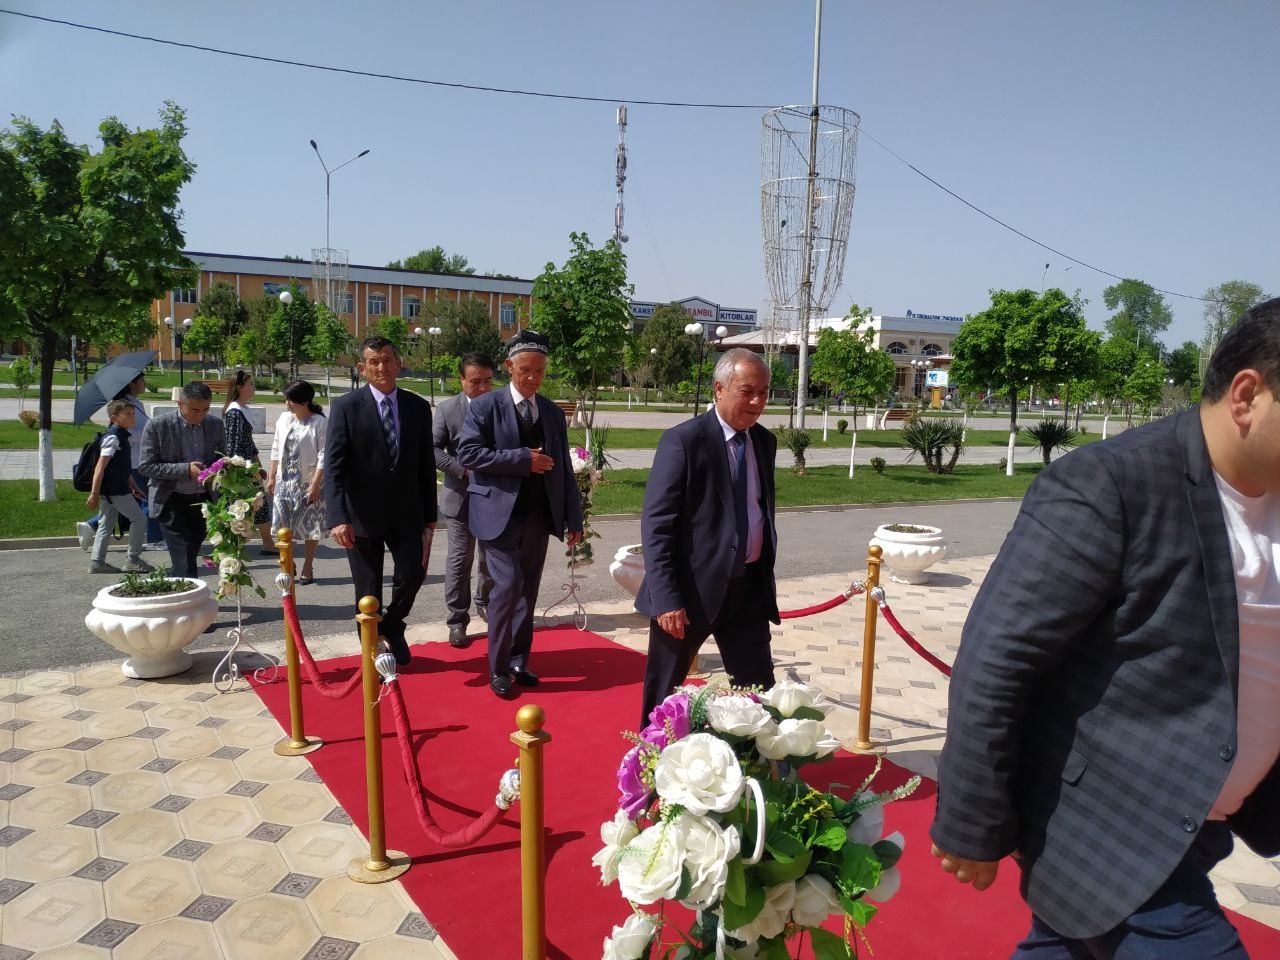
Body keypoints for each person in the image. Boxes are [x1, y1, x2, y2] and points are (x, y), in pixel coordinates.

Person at [930, 298, 1280, 958]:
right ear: (1246, 397)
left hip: (1199, 823)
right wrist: (972, 819)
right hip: (1108, 824)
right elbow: (998, 656)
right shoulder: (1112, 485)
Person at [635, 348, 779, 725]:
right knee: (663, 695)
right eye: (747, 391)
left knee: (759, 695)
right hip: (688, 595)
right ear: (719, 388)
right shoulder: (684, 441)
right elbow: (657, 524)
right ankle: (650, 759)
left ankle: (757, 759)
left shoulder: (764, 442)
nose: (757, 402)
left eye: (764, 393)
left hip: (747, 590)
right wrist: (667, 599)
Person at [456, 329, 583, 698]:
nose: (532, 378)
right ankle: (497, 668)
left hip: (538, 517)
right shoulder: (485, 406)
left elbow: (563, 470)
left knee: (527, 590)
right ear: (509, 367)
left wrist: (573, 518)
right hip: (497, 516)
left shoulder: (552, 413)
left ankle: (517, 660)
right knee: (508, 586)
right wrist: (522, 459)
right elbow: (469, 454)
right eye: (525, 370)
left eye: (540, 372)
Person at [326, 336, 437, 666]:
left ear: (398, 363)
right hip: (361, 515)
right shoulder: (346, 407)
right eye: (374, 362)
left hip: (407, 513)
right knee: (367, 587)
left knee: (413, 573)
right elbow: (334, 466)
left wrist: (430, 514)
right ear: (363, 368)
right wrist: (337, 517)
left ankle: (394, 625)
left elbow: (425, 463)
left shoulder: (417, 407)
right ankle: (371, 648)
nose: (381, 367)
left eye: (387, 360)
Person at [433, 352, 497, 646]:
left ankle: (486, 603)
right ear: (462, 380)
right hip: (460, 497)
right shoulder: (448, 410)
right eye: (475, 382)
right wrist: (463, 469)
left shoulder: (501, 407)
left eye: (488, 381)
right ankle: (457, 619)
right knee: (460, 560)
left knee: (490, 558)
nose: (483, 388)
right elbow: (433, 449)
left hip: (494, 498)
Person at [139, 381, 225, 578]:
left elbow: (222, 459)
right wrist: (185, 469)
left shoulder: (215, 425)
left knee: (188, 554)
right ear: (180, 404)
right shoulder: (157, 425)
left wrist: (219, 469)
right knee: (185, 556)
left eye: (205, 409)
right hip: (171, 499)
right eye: (195, 410)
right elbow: (146, 466)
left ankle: (173, 583)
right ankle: (191, 594)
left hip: (203, 502)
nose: (200, 415)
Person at [77, 372, 165, 553]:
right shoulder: (124, 406)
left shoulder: (133, 404)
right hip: (134, 462)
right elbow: (126, 434)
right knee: (148, 500)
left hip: (135, 461)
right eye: (142, 380)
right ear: (132, 383)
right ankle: (154, 539)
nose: (145, 384)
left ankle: (91, 527)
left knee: (121, 503)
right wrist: (151, 432)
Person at [268, 380, 328, 585]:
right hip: (284, 482)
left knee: (311, 527)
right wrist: (272, 475)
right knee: (281, 525)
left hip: (309, 482)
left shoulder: (319, 423)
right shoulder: (284, 419)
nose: (288, 404)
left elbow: (324, 455)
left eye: (292, 400)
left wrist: (315, 485)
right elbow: (276, 447)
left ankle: (307, 566)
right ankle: (288, 561)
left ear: (305, 401)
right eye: (287, 399)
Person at [85, 399, 152, 574]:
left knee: (106, 523)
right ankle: (133, 560)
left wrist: (134, 486)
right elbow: (100, 467)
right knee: (139, 519)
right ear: (114, 418)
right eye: (128, 414)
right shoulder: (113, 437)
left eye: (133, 414)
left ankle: (97, 562)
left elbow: (121, 467)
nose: (132, 417)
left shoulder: (121, 435)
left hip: (113, 488)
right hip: (116, 490)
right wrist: (94, 493)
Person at [223, 370, 275, 554]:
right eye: (250, 384)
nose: (254, 387)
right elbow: (234, 447)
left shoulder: (243, 408)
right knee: (245, 507)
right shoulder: (234, 412)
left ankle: (266, 543)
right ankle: (235, 546)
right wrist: (247, 469)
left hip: (249, 466)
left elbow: (249, 442)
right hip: (241, 469)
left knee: (258, 504)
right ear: (239, 387)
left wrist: (258, 464)